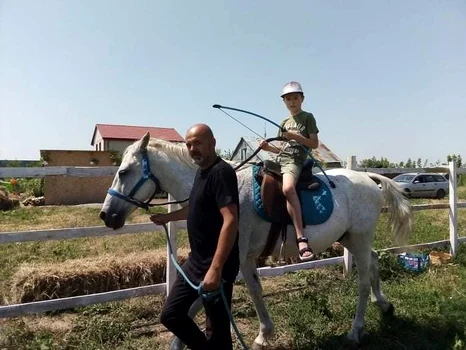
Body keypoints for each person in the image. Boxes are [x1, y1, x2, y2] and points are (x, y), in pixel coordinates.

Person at [150, 124, 240, 350]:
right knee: (170, 315)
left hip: (217, 264)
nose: (192, 149)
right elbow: (195, 207)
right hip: (195, 261)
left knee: (218, 329)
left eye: (198, 143)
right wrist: (168, 217)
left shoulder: (222, 173)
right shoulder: (202, 172)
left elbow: (231, 220)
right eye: (189, 144)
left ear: (212, 143)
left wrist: (216, 269)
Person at [259, 81, 319, 261]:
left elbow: (314, 144)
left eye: (295, 98)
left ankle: (301, 237)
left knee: (287, 189)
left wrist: (295, 136)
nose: (292, 101)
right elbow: (282, 148)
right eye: (288, 99)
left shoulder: (308, 117)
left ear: (302, 99)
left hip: (295, 160)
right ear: (284, 102)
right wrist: (268, 148)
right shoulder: (284, 122)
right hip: (281, 159)